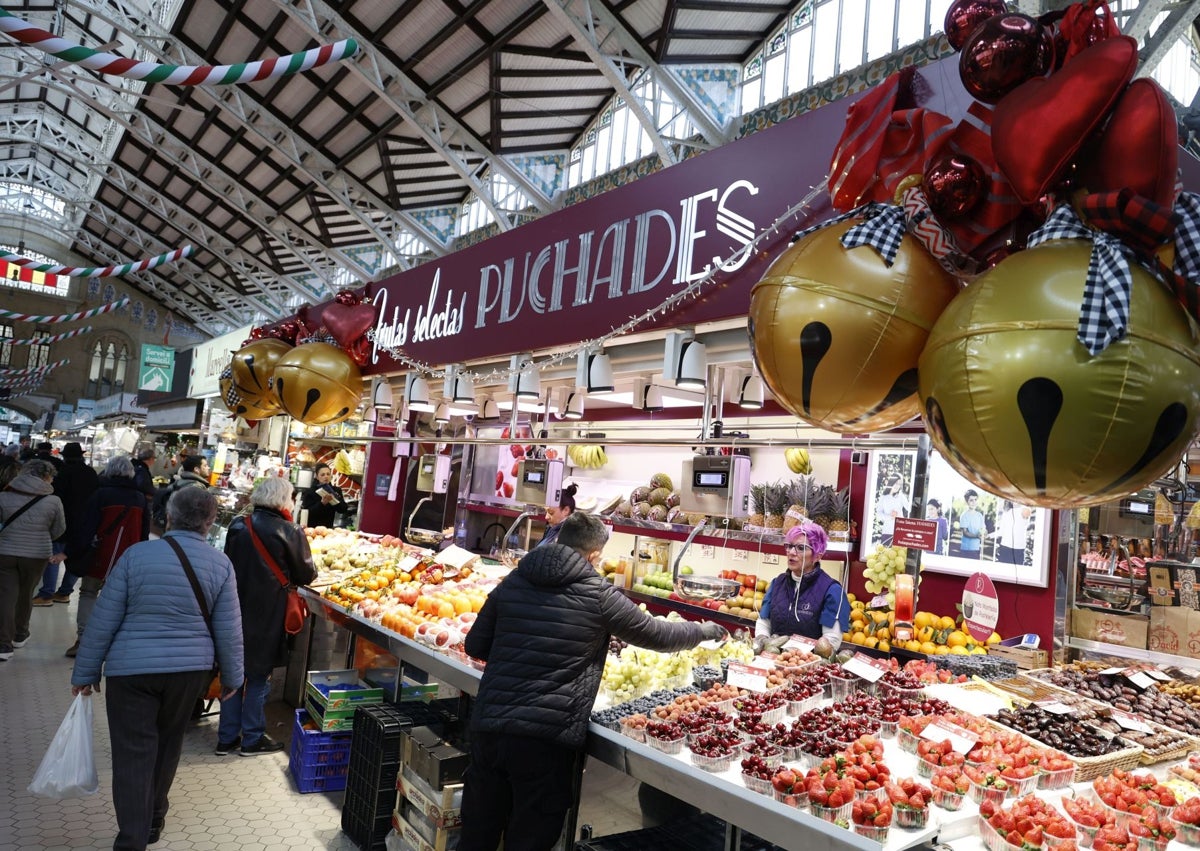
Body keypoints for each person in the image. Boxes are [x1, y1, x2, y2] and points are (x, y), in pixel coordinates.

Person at [459, 512, 724, 850]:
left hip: (490, 728)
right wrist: (700, 631)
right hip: (545, 740)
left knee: (477, 833)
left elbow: (475, 645)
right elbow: (655, 633)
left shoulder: (514, 579)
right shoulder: (597, 592)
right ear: (595, 555)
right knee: (529, 838)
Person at [71, 487, 244, 851]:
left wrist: (85, 672)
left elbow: (105, 617)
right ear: (211, 523)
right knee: (168, 744)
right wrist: (233, 677)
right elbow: (229, 628)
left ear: (167, 516)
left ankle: (132, 837)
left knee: (134, 752)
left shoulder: (136, 555)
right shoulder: (220, 564)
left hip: (131, 672)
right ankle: (154, 817)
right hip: (188, 673)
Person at [218, 476, 315, 756]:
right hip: (269, 612)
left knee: (232, 672)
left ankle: (226, 738)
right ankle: (252, 738)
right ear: (285, 500)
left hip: (234, 608)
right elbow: (306, 573)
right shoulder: (290, 530)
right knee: (259, 675)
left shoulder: (238, 525)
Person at [65, 456, 151, 657]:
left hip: (98, 556)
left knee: (88, 593)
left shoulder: (100, 494)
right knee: (119, 601)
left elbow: (86, 527)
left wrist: (74, 550)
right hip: (127, 560)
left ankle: (83, 640)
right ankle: (112, 643)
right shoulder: (140, 499)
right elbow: (144, 533)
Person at [0, 459, 65, 661]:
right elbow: (59, 530)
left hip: (5, 552)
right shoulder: (53, 501)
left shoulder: (3, 496)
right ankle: (20, 634)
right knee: (26, 593)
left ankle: (3, 645)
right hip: (37, 555)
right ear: (46, 476)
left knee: (5, 596)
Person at [754, 521, 848, 651]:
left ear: (817, 556)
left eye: (801, 548)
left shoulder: (832, 591)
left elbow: (831, 640)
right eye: (789, 546)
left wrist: (798, 658)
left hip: (807, 665)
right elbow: (764, 622)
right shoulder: (777, 583)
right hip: (772, 660)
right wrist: (764, 643)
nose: (791, 552)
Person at [32, 441, 98, 606]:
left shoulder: (63, 473)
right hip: (85, 522)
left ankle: (46, 594)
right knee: (76, 556)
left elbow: (55, 497)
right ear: (81, 455)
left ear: (65, 456)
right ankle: (64, 593)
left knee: (54, 556)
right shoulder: (91, 473)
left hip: (64, 520)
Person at [151, 454, 210, 533]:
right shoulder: (196, 488)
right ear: (196, 469)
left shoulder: (179, 482)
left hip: (172, 529)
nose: (208, 468)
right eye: (205, 465)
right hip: (185, 532)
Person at [299, 462, 349, 528]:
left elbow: (343, 509)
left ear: (331, 476)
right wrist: (322, 503)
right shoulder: (310, 491)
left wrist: (335, 499)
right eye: (322, 475)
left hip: (328, 528)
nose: (326, 476)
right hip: (312, 528)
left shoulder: (336, 490)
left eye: (328, 474)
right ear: (317, 477)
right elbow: (307, 513)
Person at [535, 483, 578, 549]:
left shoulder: (567, 536)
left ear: (566, 510)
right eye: (546, 512)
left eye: (551, 512)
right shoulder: (552, 528)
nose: (546, 517)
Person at [991, 500, 1028, 565]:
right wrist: (989, 535)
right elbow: (1001, 532)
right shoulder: (1006, 512)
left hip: (1018, 550)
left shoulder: (1025, 510)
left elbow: (1027, 512)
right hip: (1005, 548)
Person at [875, 476, 907, 546]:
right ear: (891, 483)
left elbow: (909, 509)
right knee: (885, 555)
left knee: (899, 555)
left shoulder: (901, 497)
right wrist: (890, 517)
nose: (897, 486)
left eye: (899, 484)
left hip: (900, 531)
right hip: (887, 531)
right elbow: (878, 514)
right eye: (895, 483)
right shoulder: (884, 497)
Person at [958, 489, 985, 559]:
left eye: (975, 499)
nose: (974, 502)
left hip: (976, 549)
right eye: (971, 500)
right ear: (967, 502)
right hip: (966, 550)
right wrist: (977, 536)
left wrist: (984, 533)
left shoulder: (979, 515)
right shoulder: (964, 515)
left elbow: (983, 529)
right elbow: (965, 532)